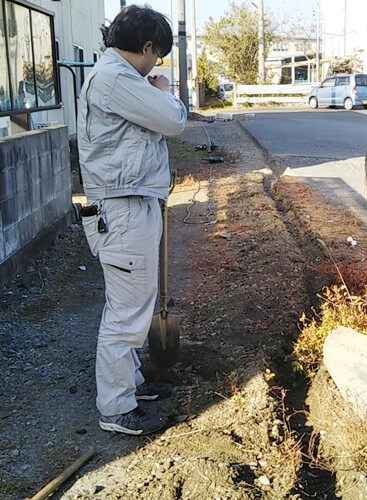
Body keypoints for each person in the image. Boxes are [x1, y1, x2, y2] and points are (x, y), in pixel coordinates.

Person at [77, 5, 187, 435]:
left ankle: (130, 383)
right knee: (125, 312)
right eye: (156, 57)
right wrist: (163, 89)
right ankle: (115, 406)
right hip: (122, 210)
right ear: (146, 48)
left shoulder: (115, 76)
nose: (156, 66)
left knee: (134, 303)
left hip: (127, 206)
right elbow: (174, 121)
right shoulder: (117, 79)